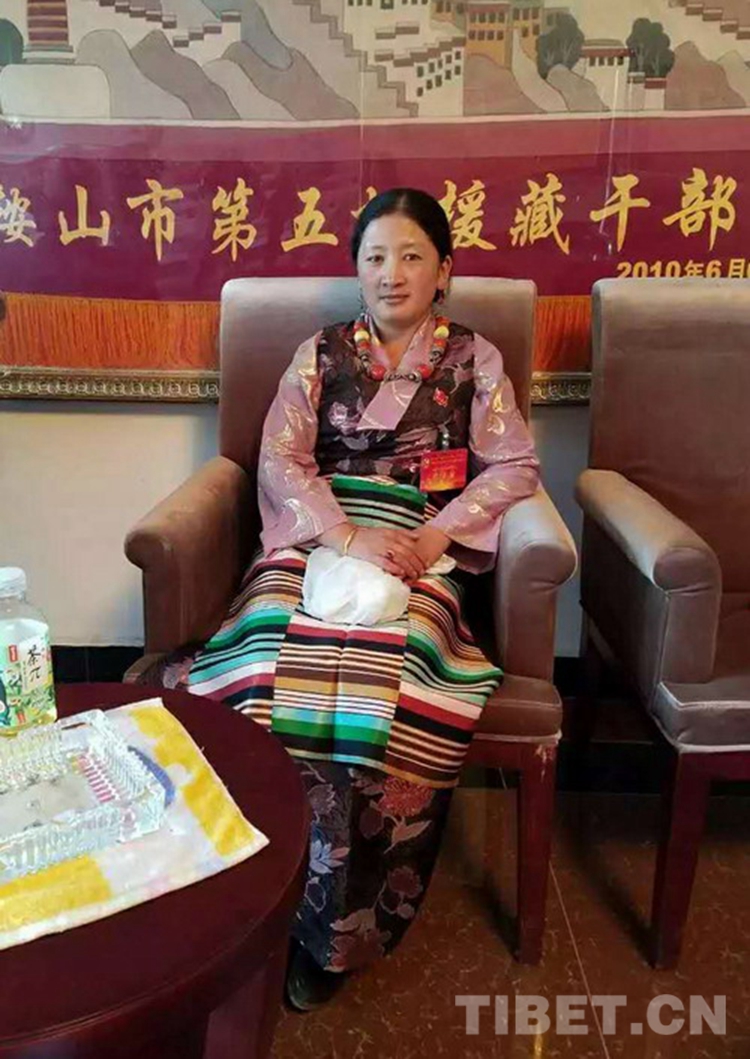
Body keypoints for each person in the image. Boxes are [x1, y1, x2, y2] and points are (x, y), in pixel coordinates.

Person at [151, 188, 540, 1011]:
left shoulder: (476, 359)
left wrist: (434, 539)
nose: (391, 273)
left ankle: (337, 932)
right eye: (375, 257)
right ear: (357, 269)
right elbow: (280, 461)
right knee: (261, 665)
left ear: (443, 270)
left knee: (389, 690)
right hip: (322, 539)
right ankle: (246, 903)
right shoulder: (319, 354)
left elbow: (514, 467)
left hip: (419, 546)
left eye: (411, 256)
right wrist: (342, 533)